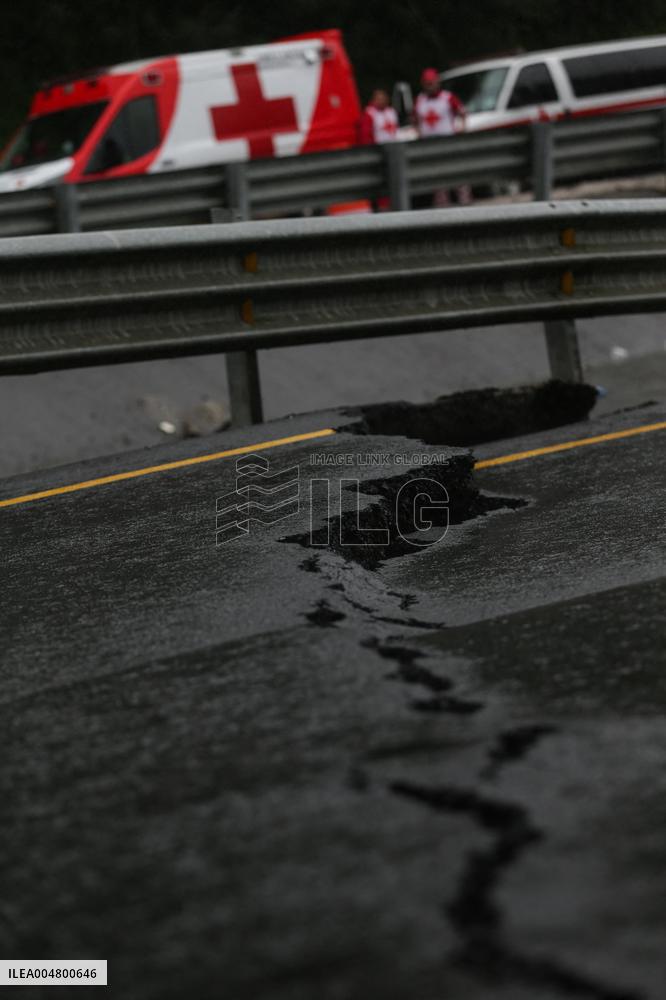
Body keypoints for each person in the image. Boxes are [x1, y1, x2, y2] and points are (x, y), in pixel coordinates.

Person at [414, 68, 471, 205]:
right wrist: (419, 134)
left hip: (449, 142)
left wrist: (461, 129)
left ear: (437, 82)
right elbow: (415, 120)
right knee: (437, 177)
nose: (430, 85)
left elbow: (462, 113)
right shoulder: (420, 100)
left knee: (457, 172)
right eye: (427, 83)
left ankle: (465, 201)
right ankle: (442, 206)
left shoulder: (448, 97)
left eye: (432, 82)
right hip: (430, 144)